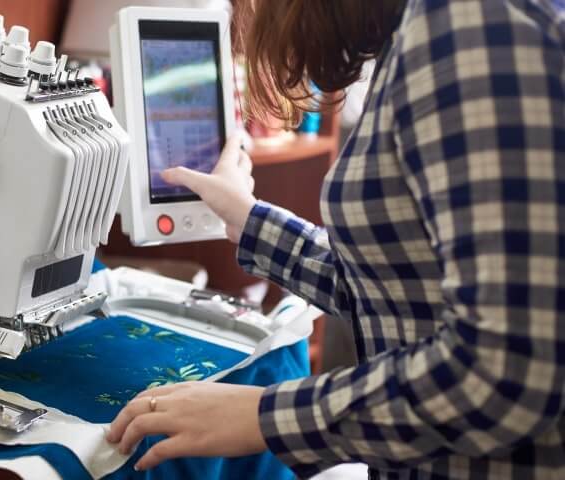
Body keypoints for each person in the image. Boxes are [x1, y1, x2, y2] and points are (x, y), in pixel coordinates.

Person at [106, 0, 565, 478]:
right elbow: (406, 293)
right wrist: (248, 218)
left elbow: (510, 369)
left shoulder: (467, 25)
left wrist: (266, 417)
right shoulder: (425, 35)